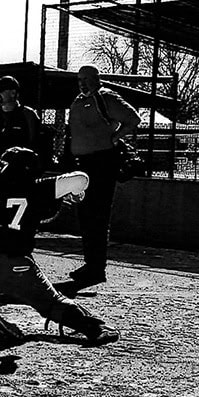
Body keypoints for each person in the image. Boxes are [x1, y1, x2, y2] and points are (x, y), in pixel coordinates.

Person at [0, 146, 120, 347]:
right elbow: (81, 179)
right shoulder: (37, 187)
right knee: (53, 304)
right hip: (19, 267)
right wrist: (74, 194)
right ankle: (96, 328)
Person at [62, 64, 141, 294]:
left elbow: (133, 119)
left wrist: (115, 137)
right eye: (79, 79)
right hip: (83, 164)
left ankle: (97, 267)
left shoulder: (105, 97)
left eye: (87, 79)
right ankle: (90, 263)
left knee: (98, 214)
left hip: (102, 162)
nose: (82, 83)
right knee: (85, 214)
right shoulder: (77, 102)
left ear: (97, 79)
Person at [0, 75, 41, 191]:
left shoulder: (28, 115)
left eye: (1, 90)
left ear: (13, 93)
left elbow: (38, 146)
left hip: (21, 178)